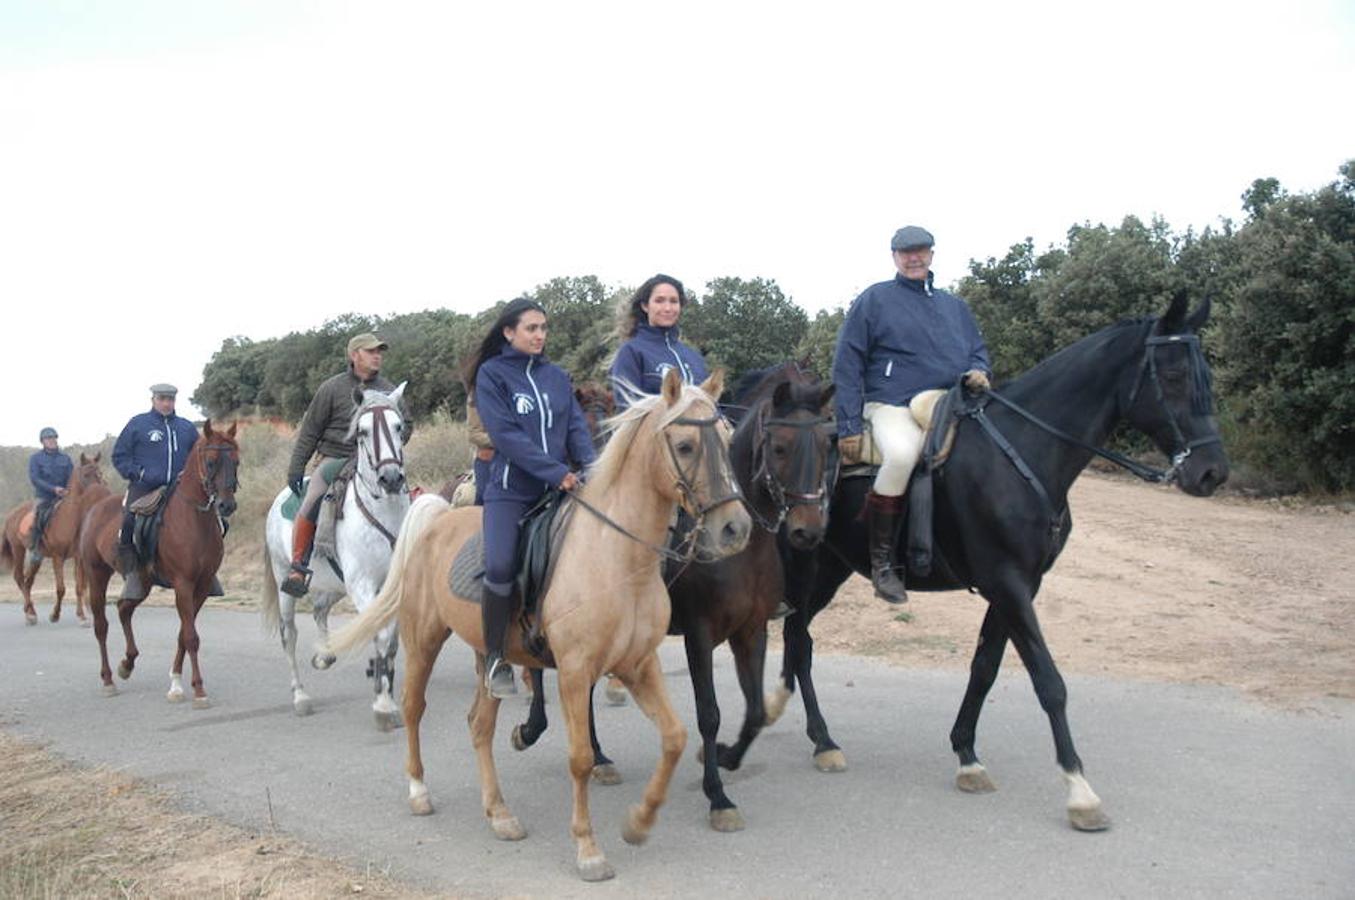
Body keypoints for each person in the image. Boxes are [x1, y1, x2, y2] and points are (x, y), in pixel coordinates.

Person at [832, 225, 992, 604]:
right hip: (891, 403)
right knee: (903, 455)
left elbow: (977, 350)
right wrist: (849, 425)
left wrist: (981, 369)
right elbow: (847, 363)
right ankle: (883, 562)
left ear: (932, 254)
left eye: (920, 251)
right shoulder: (875, 300)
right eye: (905, 252)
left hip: (949, 402)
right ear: (895, 257)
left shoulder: (955, 306)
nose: (913, 257)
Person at [468, 298, 596, 698]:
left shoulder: (557, 377)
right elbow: (506, 436)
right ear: (509, 332)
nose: (540, 335)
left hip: (562, 492)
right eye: (531, 328)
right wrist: (558, 473)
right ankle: (495, 657)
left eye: (543, 328)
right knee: (502, 564)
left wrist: (591, 467)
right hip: (512, 492)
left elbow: (575, 427)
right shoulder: (492, 375)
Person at [281, 332, 409, 597]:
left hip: (377, 460)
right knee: (313, 498)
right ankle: (298, 565)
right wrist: (297, 467)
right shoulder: (331, 388)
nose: (377, 356)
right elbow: (310, 430)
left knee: (410, 495)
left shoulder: (389, 389)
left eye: (379, 352)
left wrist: (388, 446)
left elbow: (407, 424)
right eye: (371, 351)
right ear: (354, 355)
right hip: (334, 457)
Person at [111, 384, 200, 600]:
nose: (166, 403)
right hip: (144, 487)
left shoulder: (187, 428)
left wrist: (189, 475)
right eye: (162, 399)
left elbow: (199, 458)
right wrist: (138, 474)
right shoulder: (138, 424)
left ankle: (208, 572)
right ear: (153, 400)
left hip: (179, 489)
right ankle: (132, 573)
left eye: (170, 399)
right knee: (129, 521)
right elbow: (119, 456)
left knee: (211, 520)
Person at [610, 273, 709, 409]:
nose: (667, 308)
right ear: (645, 306)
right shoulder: (631, 352)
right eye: (659, 301)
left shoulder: (694, 357)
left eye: (674, 301)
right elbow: (628, 410)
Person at [27, 426, 74, 563]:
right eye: (48, 439)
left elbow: (72, 477)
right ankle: (35, 549)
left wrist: (67, 490)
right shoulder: (35, 458)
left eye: (53, 438)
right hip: (44, 496)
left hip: (64, 497)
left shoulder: (65, 458)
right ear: (42, 441)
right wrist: (54, 489)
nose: (52, 441)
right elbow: (35, 478)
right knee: (37, 516)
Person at [465, 389, 494, 506]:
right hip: (488, 460)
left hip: (521, 458)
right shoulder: (477, 395)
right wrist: (503, 441)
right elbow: (474, 434)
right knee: (484, 497)